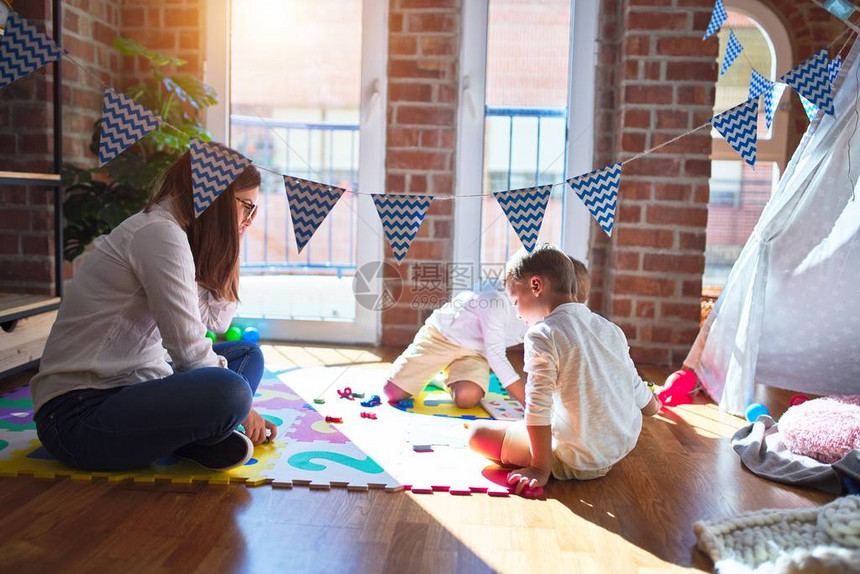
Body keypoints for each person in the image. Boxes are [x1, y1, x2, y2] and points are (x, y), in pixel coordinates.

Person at [30, 152, 275, 472]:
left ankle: (193, 436)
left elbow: (216, 321)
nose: (251, 218)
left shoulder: (179, 235)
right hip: (78, 416)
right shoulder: (160, 234)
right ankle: (202, 434)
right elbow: (189, 351)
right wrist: (244, 409)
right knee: (231, 391)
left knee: (246, 354)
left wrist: (231, 245)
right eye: (247, 206)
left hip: (133, 385)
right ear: (216, 197)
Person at [469, 243, 660, 494]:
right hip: (617, 449)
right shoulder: (610, 328)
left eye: (515, 301)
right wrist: (653, 404)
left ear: (536, 286)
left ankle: (548, 463)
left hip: (575, 458)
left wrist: (539, 469)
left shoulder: (542, 334)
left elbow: (538, 407)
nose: (516, 313)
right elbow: (633, 382)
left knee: (477, 434)